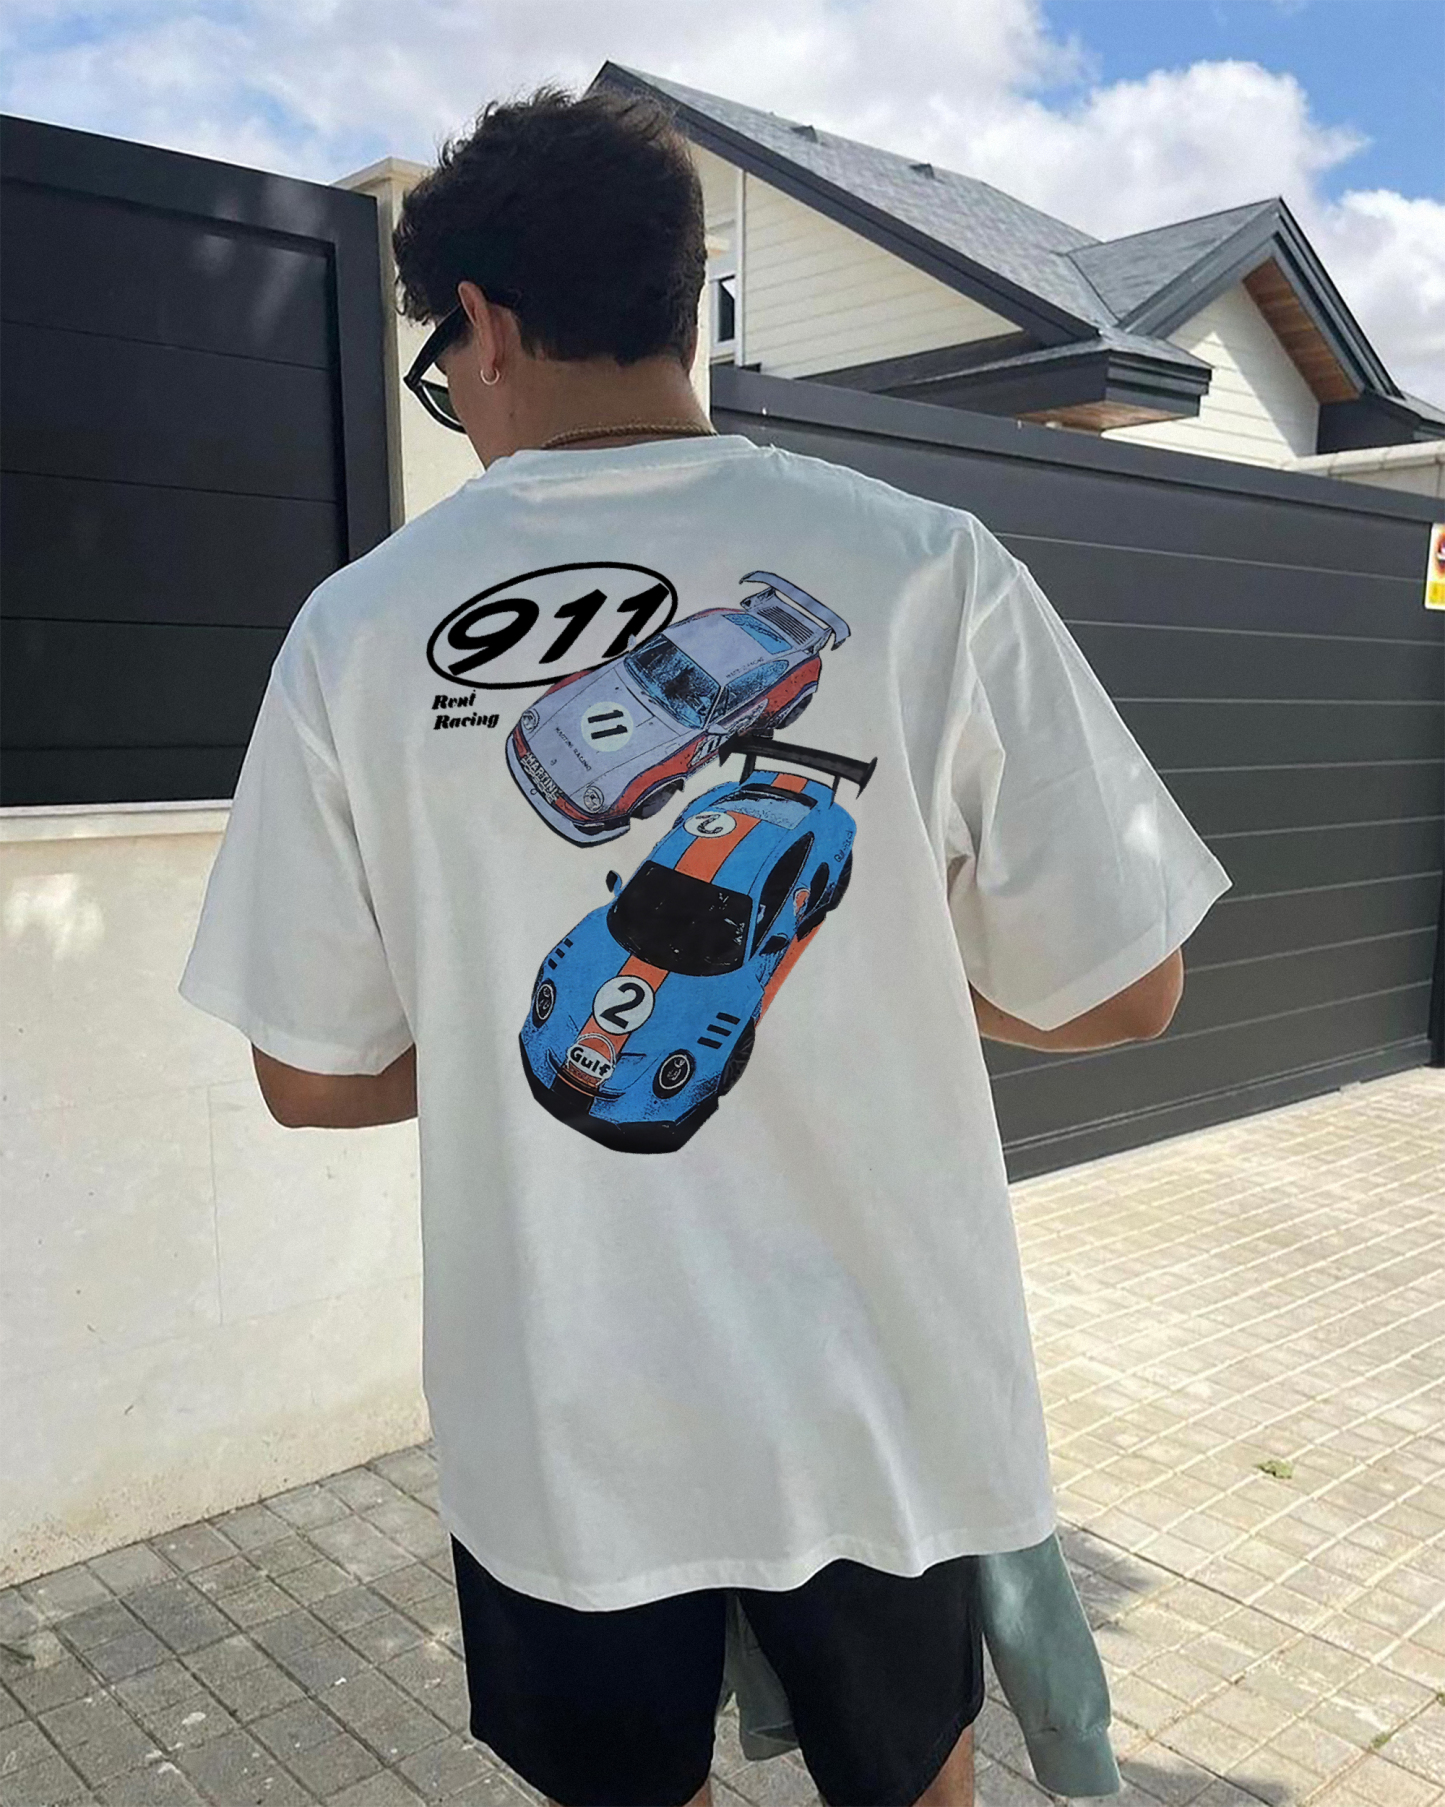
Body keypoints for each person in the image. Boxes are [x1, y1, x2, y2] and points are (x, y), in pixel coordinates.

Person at [180, 82, 1232, 1807]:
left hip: (563, 1415)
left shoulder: (352, 633)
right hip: (881, 1393)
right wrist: (883, 985)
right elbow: (1130, 989)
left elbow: (311, 1076)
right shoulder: (931, 568)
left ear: (484, 326)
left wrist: (498, 1012)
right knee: (914, 1781)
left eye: (446, 375)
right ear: (689, 302)